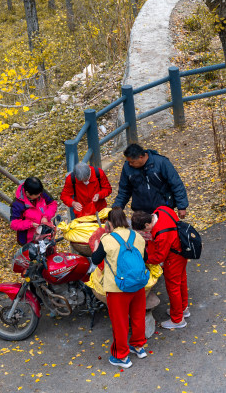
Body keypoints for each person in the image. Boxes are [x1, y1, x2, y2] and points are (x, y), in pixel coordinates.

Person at [91, 207, 148, 369]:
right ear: (125, 220)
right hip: (138, 284)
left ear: (109, 223)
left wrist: (96, 246)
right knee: (138, 316)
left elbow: (96, 260)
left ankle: (121, 356)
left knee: (120, 322)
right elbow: (146, 257)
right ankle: (138, 347)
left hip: (118, 288)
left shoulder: (107, 239)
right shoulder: (137, 236)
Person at [141, 207, 190, 329]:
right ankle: (183, 308)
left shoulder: (160, 233)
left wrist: (144, 258)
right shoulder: (162, 210)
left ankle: (178, 319)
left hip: (173, 260)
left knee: (173, 288)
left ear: (147, 224)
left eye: (144, 230)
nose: (145, 233)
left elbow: (158, 258)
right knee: (181, 281)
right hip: (182, 252)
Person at [113, 143, 188, 217]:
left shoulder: (161, 162)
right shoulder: (127, 168)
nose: (130, 164)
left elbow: (176, 184)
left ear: (141, 157)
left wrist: (181, 206)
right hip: (140, 212)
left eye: (132, 162)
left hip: (163, 210)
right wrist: (117, 208)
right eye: (129, 162)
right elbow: (124, 190)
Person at [10, 177, 58, 245]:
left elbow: (52, 204)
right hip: (29, 240)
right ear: (27, 193)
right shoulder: (17, 204)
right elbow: (14, 224)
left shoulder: (39, 191)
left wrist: (46, 217)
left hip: (45, 233)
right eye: (36, 195)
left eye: (40, 193)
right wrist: (30, 224)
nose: (39, 196)